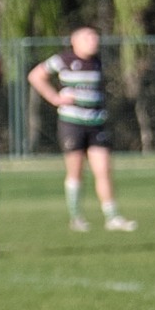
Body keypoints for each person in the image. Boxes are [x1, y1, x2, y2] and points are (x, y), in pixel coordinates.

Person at [28, 28, 137, 232]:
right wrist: (54, 98)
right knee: (76, 171)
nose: (93, 41)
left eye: (95, 37)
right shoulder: (64, 59)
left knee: (103, 170)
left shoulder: (97, 61)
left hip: (96, 123)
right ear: (74, 41)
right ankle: (76, 217)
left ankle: (112, 217)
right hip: (72, 123)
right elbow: (35, 76)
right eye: (88, 37)